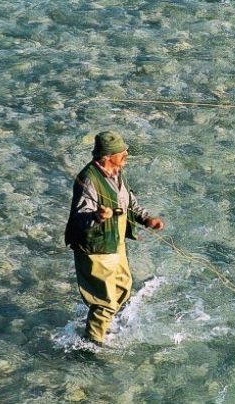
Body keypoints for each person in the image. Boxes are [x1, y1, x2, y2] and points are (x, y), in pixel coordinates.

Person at [64, 130, 164, 345]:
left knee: (123, 286)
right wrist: (97, 216)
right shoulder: (88, 180)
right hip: (95, 246)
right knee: (106, 300)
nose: (126, 154)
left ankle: (100, 324)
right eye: (122, 152)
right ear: (107, 156)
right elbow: (79, 218)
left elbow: (130, 202)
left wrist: (146, 219)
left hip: (114, 240)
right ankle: (92, 344)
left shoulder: (117, 172)